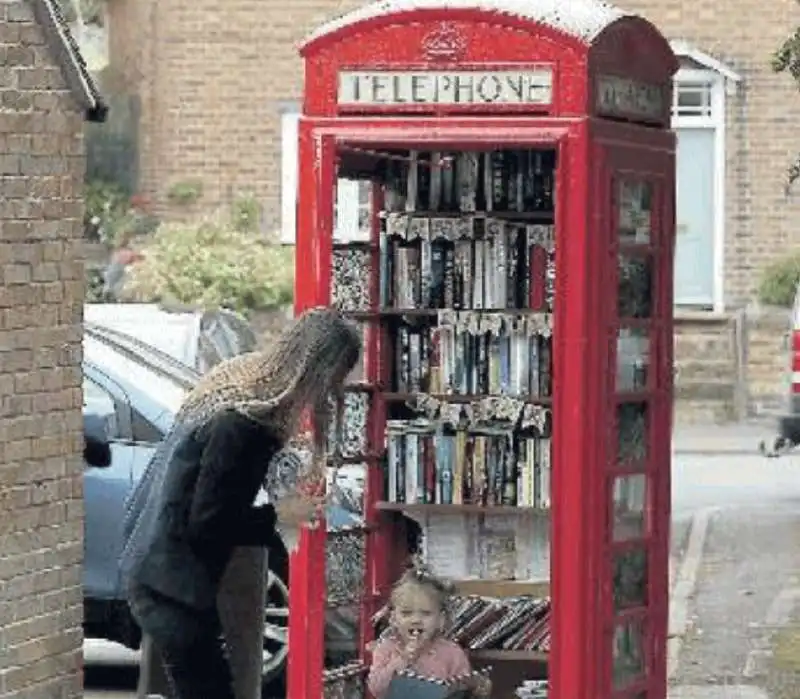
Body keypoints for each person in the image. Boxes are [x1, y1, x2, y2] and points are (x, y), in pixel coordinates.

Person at [120, 307, 362, 699]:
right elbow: (209, 521)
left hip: (158, 565)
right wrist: (280, 515)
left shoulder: (241, 392)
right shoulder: (245, 426)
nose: (336, 390)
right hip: (171, 578)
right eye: (337, 378)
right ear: (318, 372)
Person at [367, 567, 492, 699]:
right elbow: (376, 689)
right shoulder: (386, 649)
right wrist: (402, 660)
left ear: (440, 620)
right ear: (393, 619)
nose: (416, 620)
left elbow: (463, 690)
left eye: (426, 614)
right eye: (406, 613)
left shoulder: (452, 652)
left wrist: (478, 690)